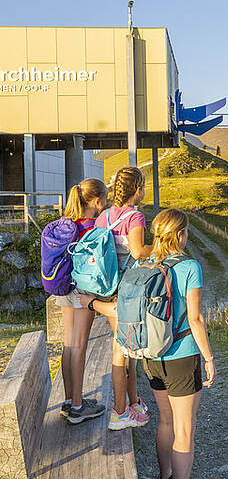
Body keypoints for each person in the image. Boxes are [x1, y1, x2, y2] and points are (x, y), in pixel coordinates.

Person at [143, 208, 215, 479]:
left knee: (166, 421)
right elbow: (196, 319)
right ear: (180, 235)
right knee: (184, 430)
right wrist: (209, 358)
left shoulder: (144, 263)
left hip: (151, 356)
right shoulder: (189, 266)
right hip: (182, 357)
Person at [81, 166, 154, 430]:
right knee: (121, 352)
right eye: (143, 186)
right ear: (138, 189)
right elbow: (136, 250)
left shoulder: (104, 216)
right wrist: (159, 247)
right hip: (125, 292)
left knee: (129, 350)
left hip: (107, 286)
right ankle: (119, 412)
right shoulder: (135, 217)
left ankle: (133, 403)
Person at [54, 178, 108, 424]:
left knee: (68, 345)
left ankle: (69, 400)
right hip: (83, 291)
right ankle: (77, 407)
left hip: (64, 287)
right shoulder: (90, 228)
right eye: (104, 200)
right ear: (97, 201)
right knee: (79, 346)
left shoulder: (68, 224)